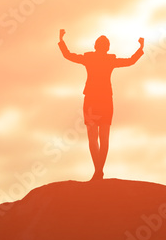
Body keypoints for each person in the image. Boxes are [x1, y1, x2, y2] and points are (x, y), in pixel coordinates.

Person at [58, 29, 144, 181]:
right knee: (103, 137)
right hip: (104, 100)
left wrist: (61, 41)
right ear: (106, 47)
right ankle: (99, 171)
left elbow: (68, 55)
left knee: (94, 137)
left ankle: (98, 171)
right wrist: (140, 48)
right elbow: (130, 61)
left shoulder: (90, 58)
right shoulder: (108, 59)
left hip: (93, 100)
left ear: (96, 46)